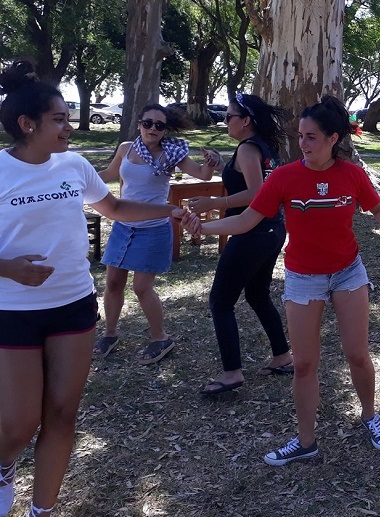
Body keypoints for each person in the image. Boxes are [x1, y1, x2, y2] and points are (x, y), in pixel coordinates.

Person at [0, 60, 186, 517]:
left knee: (62, 415)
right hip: (13, 311)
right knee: (19, 425)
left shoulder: (74, 165)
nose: (68, 126)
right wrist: (7, 268)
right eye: (59, 119)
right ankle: (3, 466)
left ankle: (41, 510)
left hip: (73, 306)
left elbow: (117, 207)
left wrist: (169, 212)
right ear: (28, 124)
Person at [182, 95, 380, 465]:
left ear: (333, 138)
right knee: (304, 364)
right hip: (304, 278)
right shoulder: (286, 176)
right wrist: (203, 227)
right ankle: (306, 442)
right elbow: (246, 220)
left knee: (357, 354)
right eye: (300, 136)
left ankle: (370, 416)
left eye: (311, 137)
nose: (302, 144)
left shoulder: (351, 173)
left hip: (348, 272)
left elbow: (379, 207)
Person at [187, 93, 294, 395]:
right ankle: (282, 356)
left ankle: (232, 372)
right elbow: (250, 182)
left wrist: (213, 201)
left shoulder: (248, 149)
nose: (225, 121)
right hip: (273, 230)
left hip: (252, 234)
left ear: (245, 121)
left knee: (221, 301)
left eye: (229, 116)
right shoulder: (263, 147)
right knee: (258, 295)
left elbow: (255, 195)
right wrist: (222, 166)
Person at [94, 105, 214, 364]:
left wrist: (210, 162)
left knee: (141, 288)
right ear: (139, 124)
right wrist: (83, 177)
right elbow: (109, 174)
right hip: (124, 225)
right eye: (148, 123)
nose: (153, 129)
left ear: (165, 130)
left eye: (159, 126)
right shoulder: (127, 148)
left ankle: (160, 338)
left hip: (154, 228)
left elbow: (203, 174)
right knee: (113, 283)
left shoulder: (171, 153)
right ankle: (110, 334)